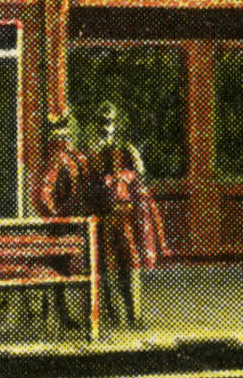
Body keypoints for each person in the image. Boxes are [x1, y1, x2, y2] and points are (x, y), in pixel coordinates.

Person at [89, 100, 167, 330]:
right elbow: (89, 186)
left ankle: (134, 315)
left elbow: (140, 181)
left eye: (109, 122)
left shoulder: (126, 150)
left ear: (116, 125)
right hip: (104, 216)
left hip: (126, 215)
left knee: (131, 263)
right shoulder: (92, 153)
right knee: (106, 265)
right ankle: (114, 316)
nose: (106, 127)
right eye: (102, 122)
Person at [33, 112, 91, 332]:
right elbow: (43, 192)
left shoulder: (70, 157)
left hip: (73, 222)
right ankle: (64, 316)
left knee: (68, 268)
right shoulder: (61, 158)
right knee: (65, 269)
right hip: (67, 224)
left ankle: (65, 314)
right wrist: (57, 215)